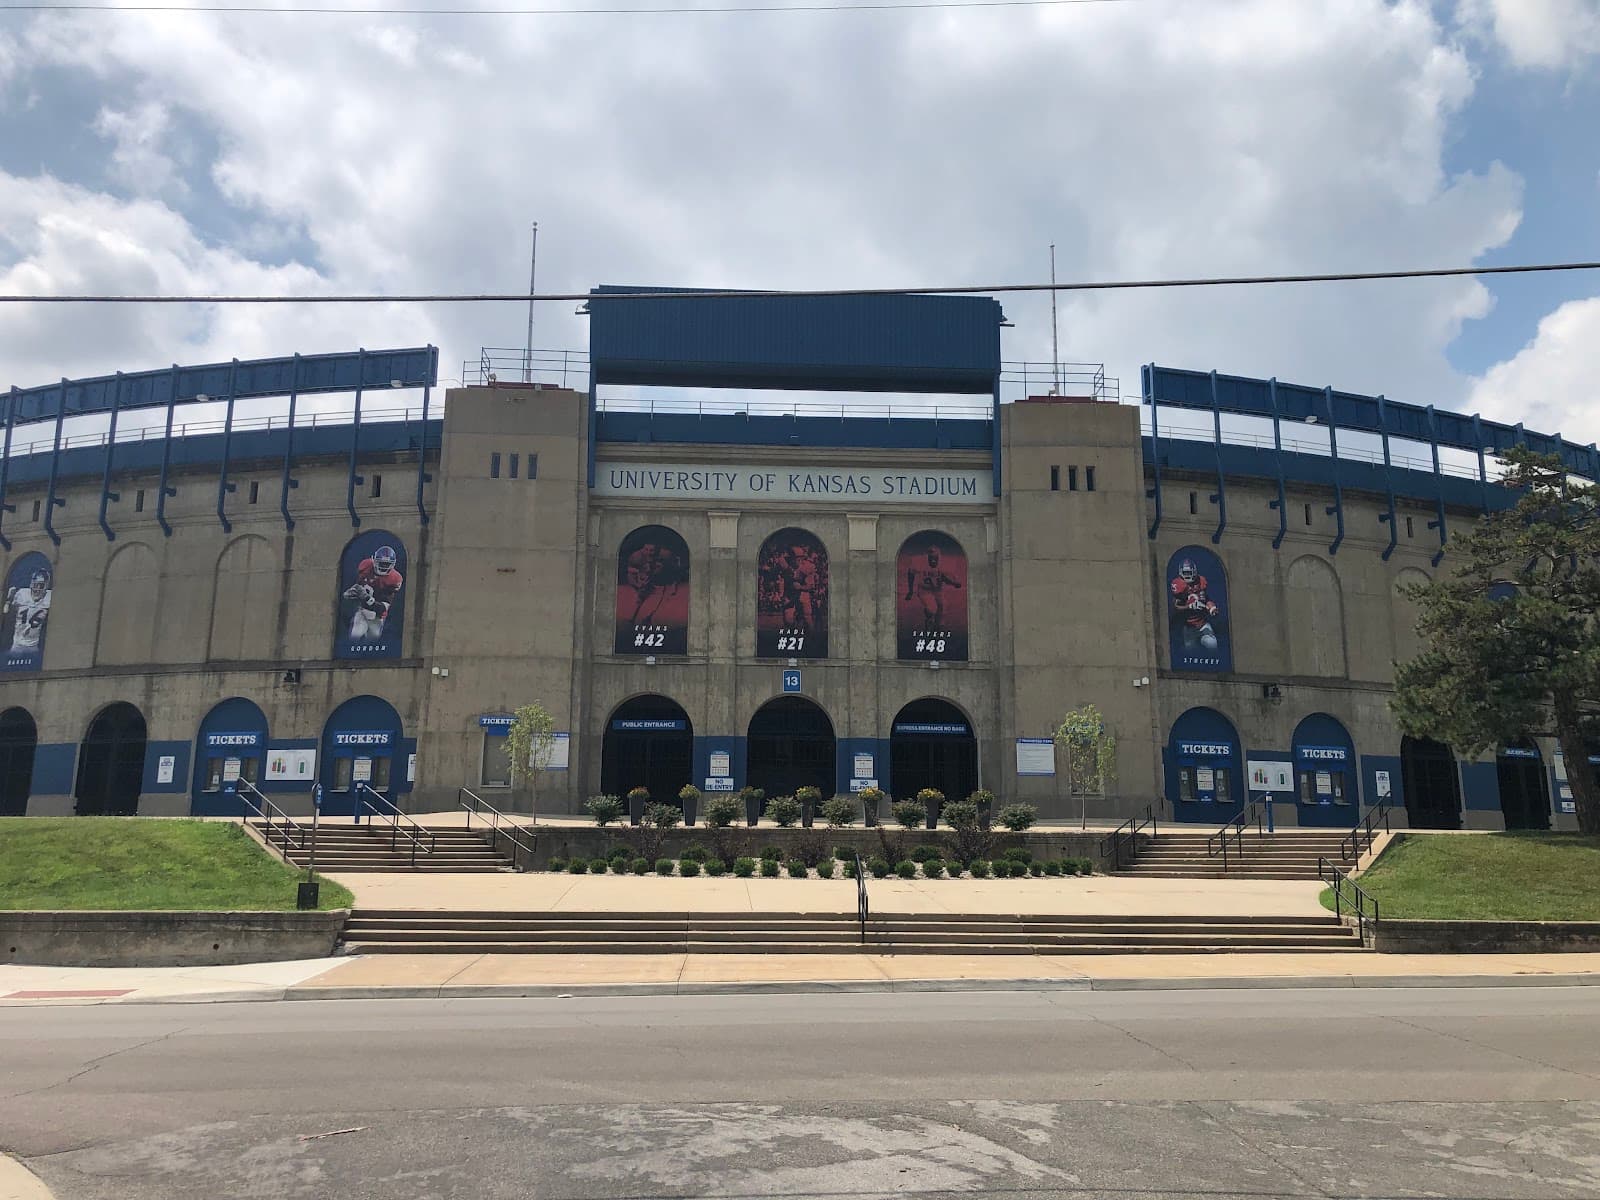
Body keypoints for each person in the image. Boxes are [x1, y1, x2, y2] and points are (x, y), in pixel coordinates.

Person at [342, 545, 403, 640]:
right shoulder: (366, 566)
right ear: (374, 560)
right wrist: (354, 590)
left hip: (377, 617)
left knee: (373, 640)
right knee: (354, 636)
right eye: (381, 563)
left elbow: (382, 608)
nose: (383, 566)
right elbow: (359, 584)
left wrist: (366, 598)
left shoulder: (393, 579)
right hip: (362, 612)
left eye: (386, 564)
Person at [1169, 557, 1220, 652]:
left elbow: (1206, 599)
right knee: (1190, 652)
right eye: (1185, 573)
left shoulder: (1201, 581)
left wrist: (1212, 607)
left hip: (1203, 624)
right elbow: (1175, 607)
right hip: (1189, 628)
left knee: (1213, 646)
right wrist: (1189, 606)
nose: (1187, 576)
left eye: (1189, 573)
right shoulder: (1179, 585)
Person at [905, 543, 961, 628]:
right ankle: (929, 618)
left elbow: (945, 579)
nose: (933, 560)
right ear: (926, 557)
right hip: (924, 590)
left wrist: (954, 583)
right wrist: (911, 591)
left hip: (939, 590)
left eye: (935, 558)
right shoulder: (920, 562)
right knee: (931, 608)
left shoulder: (944, 564)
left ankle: (937, 625)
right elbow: (910, 573)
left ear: (939, 557)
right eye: (931, 558)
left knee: (942, 607)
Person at [4, 567, 51, 653]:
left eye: (40, 585)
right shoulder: (21, 594)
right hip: (17, 643)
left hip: (34, 645)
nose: (37, 588)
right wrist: (8, 600)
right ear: (31, 584)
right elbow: (6, 612)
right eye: (34, 584)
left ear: (46, 586)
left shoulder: (49, 597)